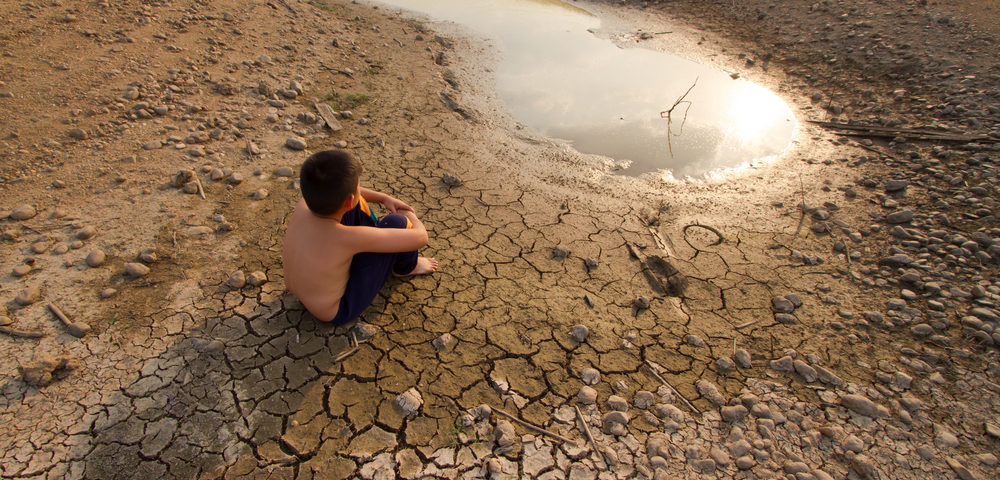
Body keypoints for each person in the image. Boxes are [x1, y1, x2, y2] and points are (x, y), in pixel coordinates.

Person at [282, 150, 438, 324]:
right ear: (349, 199)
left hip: (303, 292)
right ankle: (407, 267)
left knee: (355, 204)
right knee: (397, 222)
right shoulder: (346, 238)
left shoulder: (305, 204)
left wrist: (384, 198)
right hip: (338, 310)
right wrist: (410, 215)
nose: (359, 189)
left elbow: (350, 194)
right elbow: (421, 237)